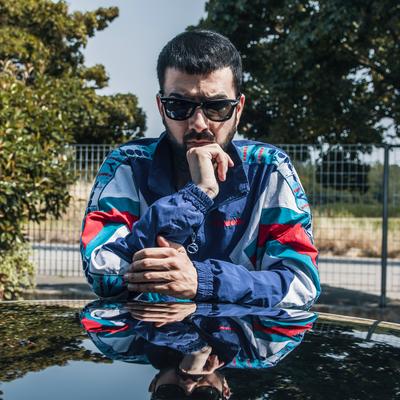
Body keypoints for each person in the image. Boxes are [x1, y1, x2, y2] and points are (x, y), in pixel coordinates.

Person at [80, 30, 320, 308]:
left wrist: (204, 280)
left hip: (241, 336)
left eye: (217, 107)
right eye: (179, 106)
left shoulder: (268, 170)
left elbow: (301, 284)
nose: (198, 123)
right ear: (161, 107)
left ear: (238, 108)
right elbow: (103, 272)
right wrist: (196, 196)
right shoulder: (128, 166)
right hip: (147, 334)